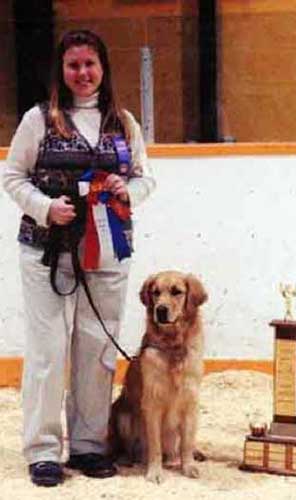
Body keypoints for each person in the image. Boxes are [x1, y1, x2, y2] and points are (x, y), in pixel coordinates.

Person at [2, 29, 155, 487]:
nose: (82, 73)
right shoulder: (37, 120)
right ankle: (44, 450)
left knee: (97, 351)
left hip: (109, 252)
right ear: (61, 71)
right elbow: (13, 176)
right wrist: (46, 208)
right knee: (48, 351)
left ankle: (89, 445)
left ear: (103, 68)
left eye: (90, 64)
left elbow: (145, 178)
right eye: (73, 65)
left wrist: (130, 191)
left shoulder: (123, 121)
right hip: (46, 254)